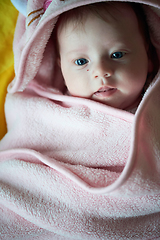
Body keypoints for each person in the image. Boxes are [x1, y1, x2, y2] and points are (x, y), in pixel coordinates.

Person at [54, 1, 158, 112]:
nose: (101, 71)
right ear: (62, 71)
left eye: (117, 55)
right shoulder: (51, 116)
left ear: (148, 56)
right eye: (81, 61)